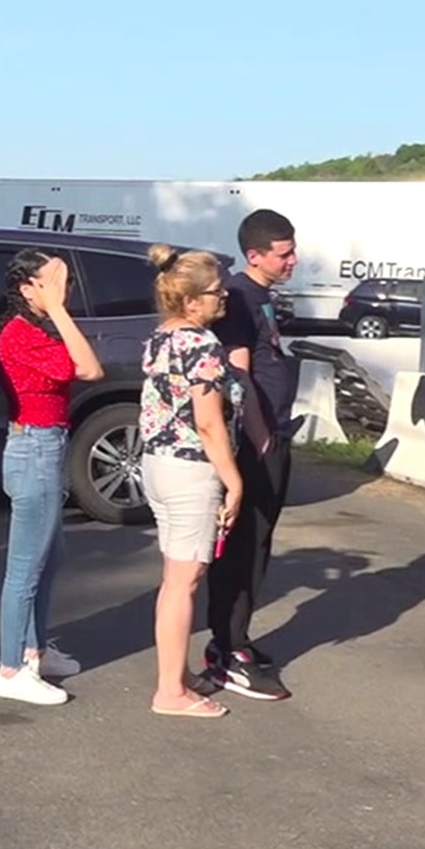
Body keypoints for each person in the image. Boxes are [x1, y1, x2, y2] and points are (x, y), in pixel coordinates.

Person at [0, 249, 104, 706]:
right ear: (27, 288)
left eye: (66, 282)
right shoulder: (20, 334)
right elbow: (90, 369)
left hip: (47, 444)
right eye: (54, 282)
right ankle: (11, 667)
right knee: (25, 567)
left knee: (49, 557)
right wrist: (57, 308)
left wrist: (55, 309)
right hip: (33, 447)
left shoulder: (35, 329)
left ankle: (34, 650)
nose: (65, 290)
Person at [141, 244, 245, 719]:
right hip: (190, 470)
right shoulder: (202, 345)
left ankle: (173, 679)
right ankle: (170, 691)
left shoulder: (161, 337)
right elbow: (208, 422)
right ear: (190, 300)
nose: (222, 297)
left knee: (173, 579)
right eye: (215, 291)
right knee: (184, 582)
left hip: (157, 463)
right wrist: (233, 479)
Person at [204, 208, 297, 701]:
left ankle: (237, 637)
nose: (293, 260)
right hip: (256, 441)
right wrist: (260, 438)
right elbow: (240, 374)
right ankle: (227, 648)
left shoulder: (263, 297)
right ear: (255, 254)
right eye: (284, 254)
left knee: (259, 546)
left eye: (292, 250)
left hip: (276, 434)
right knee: (244, 547)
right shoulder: (239, 297)